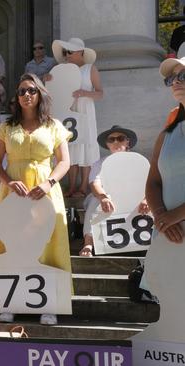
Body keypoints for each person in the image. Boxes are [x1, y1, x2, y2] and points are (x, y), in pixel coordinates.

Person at [0, 73, 72, 326]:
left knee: (48, 242)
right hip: (14, 192)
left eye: (32, 91)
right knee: (13, 240)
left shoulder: (54, 125)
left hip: (46, 190)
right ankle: (10, 301)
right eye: (22, 91)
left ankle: (50, 304)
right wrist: (8, 180)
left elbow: (65, 161)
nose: (26, 95)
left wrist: (49, 183)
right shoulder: (6, 127)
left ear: (40, 95)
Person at [79, 125, 149, 256]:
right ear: (107, 144)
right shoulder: (100, 163)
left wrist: (147, 199)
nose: (116, 142)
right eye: (111, 140)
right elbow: (95, 182)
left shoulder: (138, 160)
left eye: (120, 138)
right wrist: (103, 197)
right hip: (109, 198)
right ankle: (88, 243)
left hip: (134, 198)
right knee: (95, 201)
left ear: (127, 141)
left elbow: (150, 184)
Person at [50, 37, 103, 197]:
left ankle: (83, 186)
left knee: (85, 145)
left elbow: (100, 93)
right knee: (71, 146)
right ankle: (72, 186)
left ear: (80, 52)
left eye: (70, 51)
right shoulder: (61, 70)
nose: (67, 55)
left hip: (85, 110)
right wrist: (48, 79)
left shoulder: (90, 69)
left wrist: (85, 93)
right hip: (68, 111)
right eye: (65, 52)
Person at [146, 56, 185, 245]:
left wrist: (174, 216)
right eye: (171, 78)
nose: (176, 81)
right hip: (168, 239)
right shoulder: (165, 135)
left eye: (183, 75)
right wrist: (162, 216)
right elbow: (153, 182)